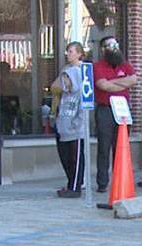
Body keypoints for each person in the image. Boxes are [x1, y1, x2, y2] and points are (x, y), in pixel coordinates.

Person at [93, 36, 136, 193]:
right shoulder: (98, 66)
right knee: (104, 147)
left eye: (115, 44)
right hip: (105, 109)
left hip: (122, 109)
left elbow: (133, 80)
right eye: (110, 45)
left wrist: (113, 83)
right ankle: (102, 182)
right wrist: (121, 82)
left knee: (121, 145)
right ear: (103, 49)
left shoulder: (125, 65)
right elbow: (102, 85)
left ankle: (121, 178)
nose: (114, 48)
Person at [50, 42, 87, 198]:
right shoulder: (65, 72)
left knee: (75, 157)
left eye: (71, 51)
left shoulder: (83, 72)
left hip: (75, 127)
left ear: (79, 53)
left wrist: (77, 123)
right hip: (63, 123)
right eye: (67, 51)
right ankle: (70, 183)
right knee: (65, 156)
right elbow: (55, 88)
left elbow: (83, 105)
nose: (68, 54)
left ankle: (76, 186)